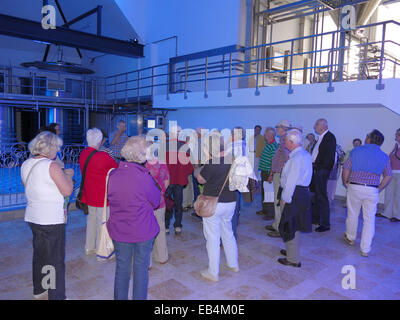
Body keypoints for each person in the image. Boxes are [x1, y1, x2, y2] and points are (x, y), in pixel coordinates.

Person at [21, 131, 74, 300]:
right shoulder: (51, 166)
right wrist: (70, 177)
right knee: (55, 260)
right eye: (57, 148)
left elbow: (33, 185)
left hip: (33, 216)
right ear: (50, 148)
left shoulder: (26, 164)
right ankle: (56, 296)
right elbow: (67, 191)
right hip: (51, 218)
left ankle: (40, 289)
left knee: (40, 254)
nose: (57, 151)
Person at [107, 136, 161, 300]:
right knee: (140, 270)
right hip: (142, 231)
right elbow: (156, 201)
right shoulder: (143, 176)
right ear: (141, 155)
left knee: (121, 269)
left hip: (119, 230)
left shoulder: (113, 174)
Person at [196, 133, 238, 282]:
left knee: (212, 238)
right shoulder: (232, 159)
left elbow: (200, 179)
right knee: (228, 232)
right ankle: (233, 264)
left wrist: (201, 166)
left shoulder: (212, 162)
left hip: (214, 203)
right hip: (231, 201)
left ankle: (213, 272)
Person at [342, 130, 392, 257]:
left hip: (355, 186)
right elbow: (388, 176)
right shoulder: (384, 156)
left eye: (367, 136)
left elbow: (346, 168)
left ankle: (350, 237)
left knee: (353, 213)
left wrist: (345, 181)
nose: (365, 137)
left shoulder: (356, 151)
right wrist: (379, 188)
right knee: (369, 219)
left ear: (369, 139)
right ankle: (365, 248)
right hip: (372, 189)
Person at [79, 128, 118, 258]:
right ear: (100, 141)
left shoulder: (83, 154)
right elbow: (116, 170)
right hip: (103, 196)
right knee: (104, 223)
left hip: (88, 194)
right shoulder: (103, 156)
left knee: (91, 220)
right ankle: (103, 250)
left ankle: (89, 247)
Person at [277, 129, 312, 268]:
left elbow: (291, 181)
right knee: (294, 224)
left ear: (291, 142)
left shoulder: (296, 159)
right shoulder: (305, 155)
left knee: (289, 224)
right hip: (302, 193)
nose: (284, 142)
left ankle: (293, 259)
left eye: (286, 140)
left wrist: (285, 198)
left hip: (293, 194)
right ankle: (291, 251)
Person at [165, 125, 194, 235]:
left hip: (167, 180)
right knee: (178, 203)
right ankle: (177, 226)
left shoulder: (163, 145)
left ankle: (166, 226)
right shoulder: (184, 146)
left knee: (167, 203)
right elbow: (188, 166)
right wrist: (184, 173)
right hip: (179, 180)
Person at [310, 119, 337, 232]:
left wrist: (320, 169)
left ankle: (325, 224)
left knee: (321, 196)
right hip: (316, 169)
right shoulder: (320, 137)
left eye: (317, 124)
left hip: (321, 170)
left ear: (324, 126)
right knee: (315, 196)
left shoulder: (330, 137)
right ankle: (315, 219)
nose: (314, 126)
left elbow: (329, 157)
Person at [266, 120, 291, 237]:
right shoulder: (283, 140)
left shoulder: (284, 141)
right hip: (278, 174)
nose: (276, 129)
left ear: (283, 129)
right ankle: (277, 224)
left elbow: (286, 160)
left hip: (280, 175)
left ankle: (279, 228)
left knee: (278, 201)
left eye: (277, 127)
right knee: (277, 200)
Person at [146, 154, 170, 265]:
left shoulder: (142, 166)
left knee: (146, 232)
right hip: (160, 202)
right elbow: (167, 181)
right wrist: (161, 193)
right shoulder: (162, 164)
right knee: (160, 228)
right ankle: (162, 257)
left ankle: (147, 261)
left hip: (145, 204)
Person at [257, 127, 278, 220]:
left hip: (268, 173)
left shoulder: (273, 146)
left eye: (265, 134)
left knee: (269, 193)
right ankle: (265, 210)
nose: (264, 135)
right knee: (264, 192)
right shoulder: (268, 144)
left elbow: (273, 162)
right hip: (264, 171)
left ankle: (270, 213)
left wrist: (271, 175)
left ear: (270, 135)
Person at [380, 128, 400, 222]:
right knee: (389, 193)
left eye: (397, 134)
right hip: (391, 173)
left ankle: (397, 215)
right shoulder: (396, 146)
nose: (395, 136)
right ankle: (387, 213)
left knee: (398, 195)